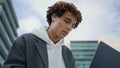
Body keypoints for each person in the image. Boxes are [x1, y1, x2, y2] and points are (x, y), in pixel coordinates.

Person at [3, 1, 82, 68]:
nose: (69, 28)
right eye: (67, 21)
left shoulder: (68, 54)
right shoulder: (25, 41)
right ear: (54, 17)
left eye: (72, 26)